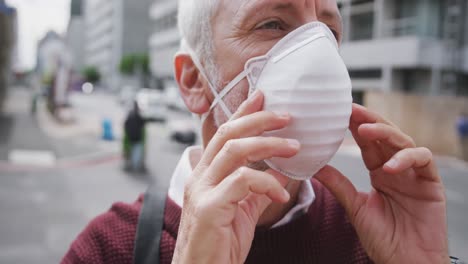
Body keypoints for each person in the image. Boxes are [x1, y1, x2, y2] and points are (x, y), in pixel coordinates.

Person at [62, 0, 450, 263]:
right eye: (272, 24)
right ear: (195, 80)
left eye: (328, 31)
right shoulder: (107, 249)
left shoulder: (372, 240)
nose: (317, 56)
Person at [123, 101, 146, 172]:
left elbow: (125, 124)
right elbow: (143, 125)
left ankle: (132, 165)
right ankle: (135, 165)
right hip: (137, 138)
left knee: (132, 151)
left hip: (130, 137)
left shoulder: (129, 115)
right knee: (136, 152)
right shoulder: (139, 116)